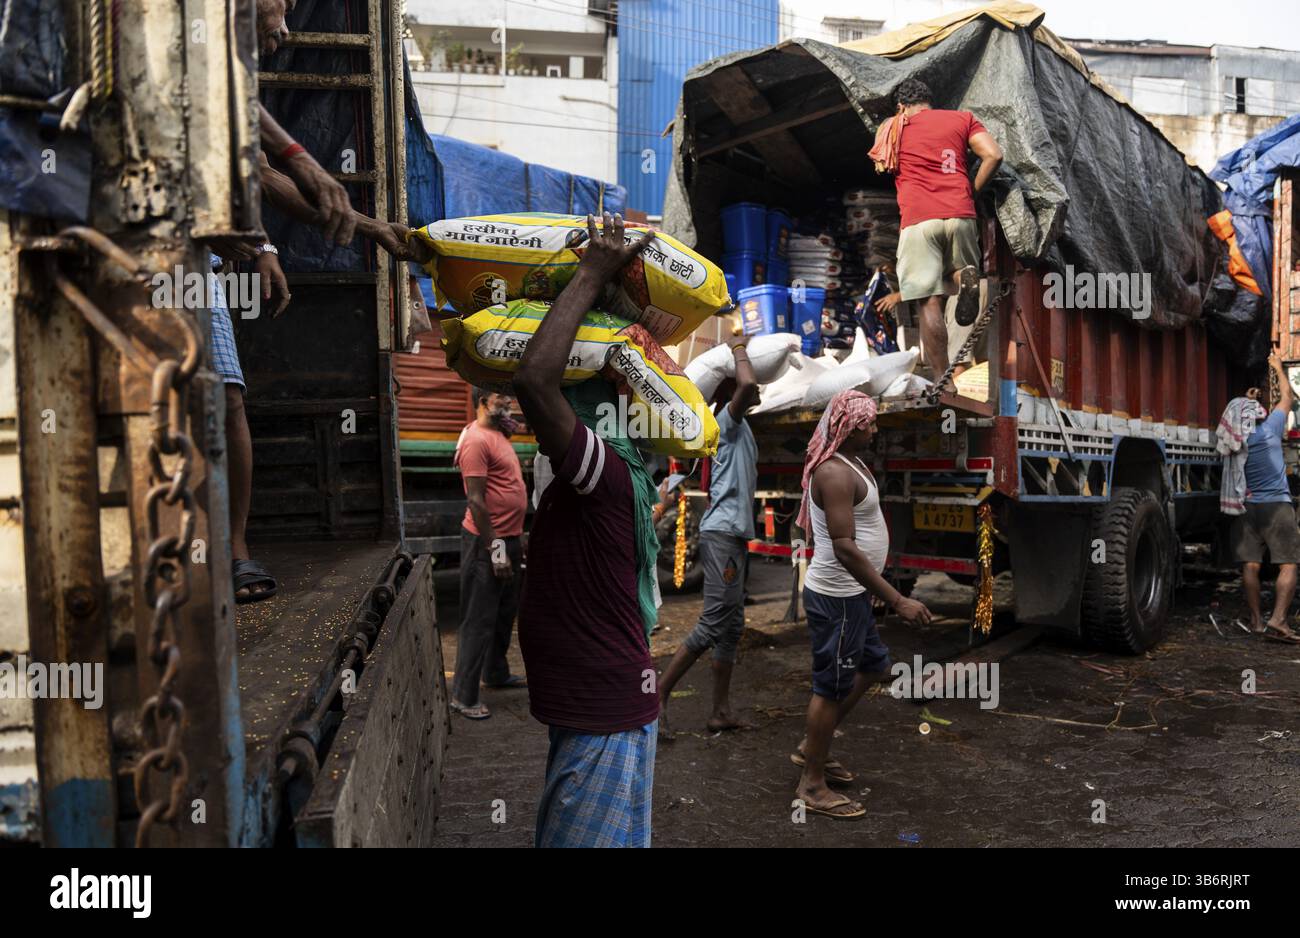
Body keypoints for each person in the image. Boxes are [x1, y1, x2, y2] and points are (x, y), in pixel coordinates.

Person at [214, 0, 417, 602]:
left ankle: (234, 550)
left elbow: (260, 177)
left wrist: (369, 227)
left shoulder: (233, 77)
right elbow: (269, 169)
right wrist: (303, 162)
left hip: (193, 266)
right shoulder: (195, 55)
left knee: (228, 400)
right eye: (278, 10)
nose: (286, 29)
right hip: (140, 255)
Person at [512, 213, 660, 848]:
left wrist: (592, 273)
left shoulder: (602, 473)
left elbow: (533, 381)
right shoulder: (585, 477)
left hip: (605, 710)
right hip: (593, 706)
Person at [793, 390, 932, 819]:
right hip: (836, 599)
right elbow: (844, 549)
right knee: (830, 687)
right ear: (850, 427)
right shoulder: (834, 472)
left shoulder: (852, 463)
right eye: (868, 424)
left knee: (873, 665)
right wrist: (897, 598)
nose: (874, 429)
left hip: (852, 597)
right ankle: (811, 786)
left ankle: (811, 747)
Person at [657, 346, 760, 740]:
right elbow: (749, 381)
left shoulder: (741, 427)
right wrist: (738, 347)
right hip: (721, 534)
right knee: (714, 620)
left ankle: (719, 711)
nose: (757, 389)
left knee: (733, 626)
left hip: (734, 534)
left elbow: (750, 384)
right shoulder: (725, 420)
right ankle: (660, 697)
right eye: (747, 388)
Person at [870, 78, 1002, 382]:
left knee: (928, 300)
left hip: (919, 219)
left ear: (902, 106)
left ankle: (944, 383)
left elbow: (881, 164)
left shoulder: (895, 126)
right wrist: (971, 191)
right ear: (930, 101)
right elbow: (994, 155)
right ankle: (962, 276)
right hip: (961, 213)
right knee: (957, 274)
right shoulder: (963, 119)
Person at [449, 388, 530, 719]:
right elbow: (476, 501)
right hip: (486, 542)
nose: (509, 402)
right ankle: (464, 697)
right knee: (478, 619)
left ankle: (495, 673)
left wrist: (514, 538)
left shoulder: (498, 433)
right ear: (482, 402)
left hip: (507, 538)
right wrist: (496, 550)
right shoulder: (475, 440)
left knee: (503, 614)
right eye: (501, 398)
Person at [1222, 353, 1300, 643]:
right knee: (1289, 564)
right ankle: (1278, 620)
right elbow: (1288, 397)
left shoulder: (1238, 443)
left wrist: (1246, 399)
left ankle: (1256, 622)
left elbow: (1242, 416)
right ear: (1259, 414)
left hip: (1248, 507)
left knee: (1251, 565)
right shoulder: (1269, 430)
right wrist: (1278, 369)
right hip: (1277, 506)